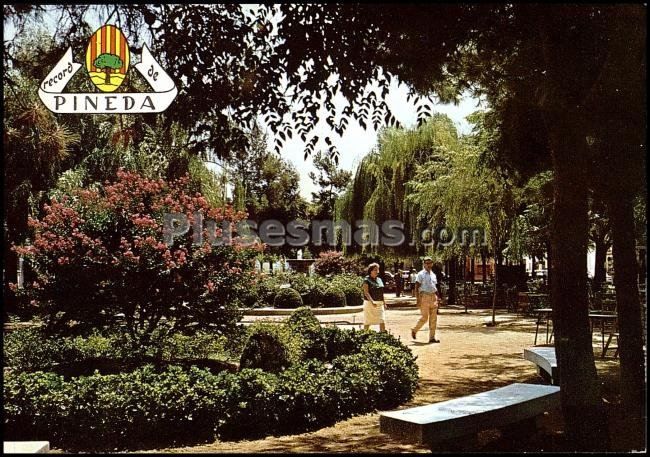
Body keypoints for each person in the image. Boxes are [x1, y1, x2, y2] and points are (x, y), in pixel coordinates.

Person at [412, 256, 441, 343]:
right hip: (424, 296)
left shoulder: (433, 275)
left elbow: (434, 287)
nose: (428, 265)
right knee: (424, 317)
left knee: (433, 318)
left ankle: (432, 337)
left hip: (433, 297)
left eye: (430, 263)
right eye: (427, 263)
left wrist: (438, 298)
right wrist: (417, 299)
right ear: (424, 264)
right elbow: (417, 286)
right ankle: (415, 330)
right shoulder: (420, 274)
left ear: (432, 264)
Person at [362, 262, 388, 332]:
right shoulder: (366, 280)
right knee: (368, 321)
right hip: (370, 303)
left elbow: (381, 292)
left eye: (378, 270)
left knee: (382, 320)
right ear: (371, 271)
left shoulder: (379, 279)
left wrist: (384, 302)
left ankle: (383, 337)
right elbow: (366, 292)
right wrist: (372, 301)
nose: (377, 271)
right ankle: (364, 336)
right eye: (375, 270)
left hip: (379, 304)